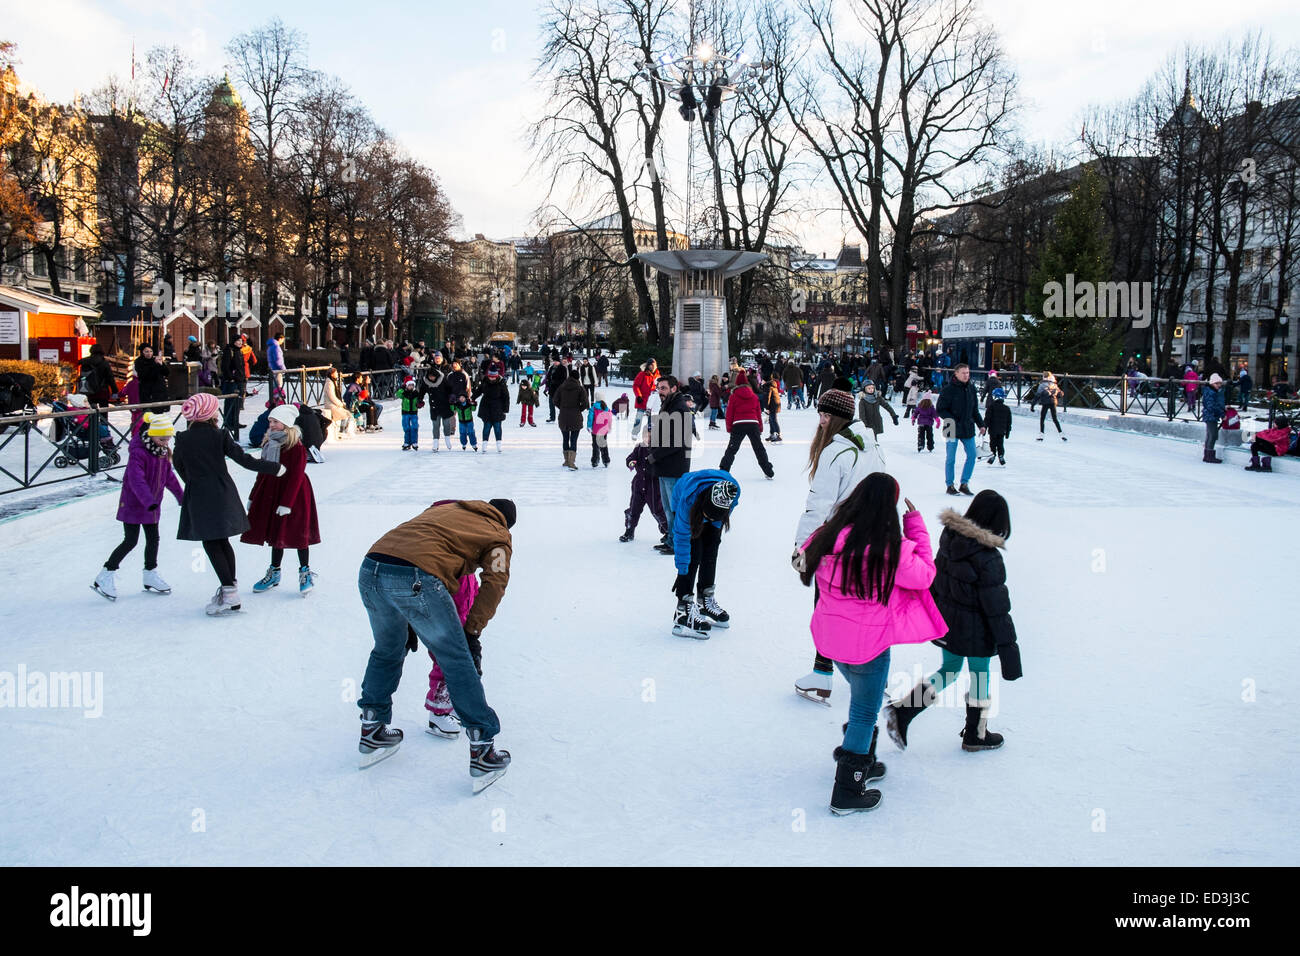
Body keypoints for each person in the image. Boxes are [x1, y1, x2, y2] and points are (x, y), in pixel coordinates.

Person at [797, 474, 946, 814]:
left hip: (830, 640)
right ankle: (848, 790)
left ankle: (863, 757)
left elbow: (802, 559)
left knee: (867, 700)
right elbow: (924, 575)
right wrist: (916, 527)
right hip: (869, 646)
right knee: (865, 711)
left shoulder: (828, 534)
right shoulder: (889, 549)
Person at [355, 498, 516, 792]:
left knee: (387, 650)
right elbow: (495, 583)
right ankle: (483, 751)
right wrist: (471, 632)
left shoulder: (450, 509)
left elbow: (418, 543)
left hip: (371, 568)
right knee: (456, 659)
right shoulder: (498, 535)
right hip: (416, 577)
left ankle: (373, 727)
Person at [884, 491, 1022, 754]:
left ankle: (903, 710)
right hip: (977, 632)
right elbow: (997, 610)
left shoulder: (950, 539)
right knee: (980, 674)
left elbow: (936, 579)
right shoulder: (989, 557)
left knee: (949, 669)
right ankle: (975, 733)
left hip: (949, 623)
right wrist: (1009, 649)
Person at [791, 388, 874, 706]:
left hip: (838, 544)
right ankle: (869, 675)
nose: (822, 421)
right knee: (863, 608)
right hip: (869, 540)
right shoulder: (870, 445)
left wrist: (802, 548)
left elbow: (818, 506)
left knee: (826, 607)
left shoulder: (835, 452)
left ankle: (822, 675)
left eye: (827, 415)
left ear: (839, 417)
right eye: (820, 414)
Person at [172, 393, 283, 615]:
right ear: (208, 413)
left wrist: (193, 483)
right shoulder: (220, 435)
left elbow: (179, 466)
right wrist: (273, 468)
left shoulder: (183, 439)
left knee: (212, 542)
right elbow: (244, 460)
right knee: (221, 542)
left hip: (200, 495)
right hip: (223, 492)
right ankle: (230, 589)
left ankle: (229, 591)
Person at [91, 413, 184, 601]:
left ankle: (150, 573)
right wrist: (148, 500)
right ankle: (105, 575)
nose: (166, 442)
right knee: (130, 540)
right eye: (162, 438)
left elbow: (169, 477)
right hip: (134, 504)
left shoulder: (162, 453)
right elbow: (136, 480)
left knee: (153, 539)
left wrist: (181, 497)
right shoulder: (138, 453)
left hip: (152, 505)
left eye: (168, 438)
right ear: (151, 435)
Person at [243, 404, 322, 595]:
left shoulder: (296, 447)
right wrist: (253, 496)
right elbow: (262, 471)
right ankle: (274, 572)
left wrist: (287, 503)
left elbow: (296, 476)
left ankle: (305, 572)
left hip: (295, 494)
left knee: (297, 534)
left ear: (286, 424)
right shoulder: (270, 444)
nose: (271, 424)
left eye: (275, 421)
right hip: (271, 490)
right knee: (276, 534)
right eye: (270, 421)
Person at [669, 472, 740, 639]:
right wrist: (682, 574)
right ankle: (683, 609)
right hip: (688, 502)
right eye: (707, 516)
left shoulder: (732, 492)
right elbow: (681, 541)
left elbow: (718, 517)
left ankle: (705, 600)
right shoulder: (687, 502)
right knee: (694, 552)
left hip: (714, 507)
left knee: (711, 548)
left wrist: (714, 520)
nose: (707, 520)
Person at [648, 376, 697, 552]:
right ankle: (671, 538)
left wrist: (654, 455)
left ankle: (679, 541)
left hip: (674, 466)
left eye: (663, 388)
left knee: (676, 508)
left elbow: (677, 440)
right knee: (668, 508)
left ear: (674, 388)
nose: (660, 392)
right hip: (664, 464)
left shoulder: (680, 408)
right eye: (658, 388)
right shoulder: (668, 406)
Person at [936, 363, 986, 496]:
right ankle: (950, 485)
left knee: (972, 455)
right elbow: (940, 409)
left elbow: (974, 409)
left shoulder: (971, 388)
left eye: (968, 373)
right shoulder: (948, 389)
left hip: (967, 427)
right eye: (963, 373)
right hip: (951, 427)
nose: (966, 375)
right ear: (956, 373)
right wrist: (952, 420)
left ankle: (964, 483)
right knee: (951, 457)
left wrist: (981, 424)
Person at [719, 372, 774, 479]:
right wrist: (760, 428)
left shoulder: (734, 396)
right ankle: (768, 471)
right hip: (753, 423)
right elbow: (758, 413)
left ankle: (723, 470)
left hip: (738, 424)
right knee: (759, 448)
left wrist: (729, 427)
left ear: (737, 384)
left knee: (732, 449)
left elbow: (729, 413)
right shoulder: (753, 396)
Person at [620, 429, 669, 543]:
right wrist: (631, 462)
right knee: (633, 508)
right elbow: (631, 458)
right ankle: (629, 529)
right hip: (638, 484)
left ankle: (667, 531)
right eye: (646, 437)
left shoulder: (658, 449)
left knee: (658, 510)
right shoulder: (639, 448)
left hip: (653, 486)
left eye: (651, 437)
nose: (648, 439)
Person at [555, 365, 589, 470]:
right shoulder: (580, 388)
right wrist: (579, 409)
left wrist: (562, 407)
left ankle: (566, 460)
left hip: (563, 416)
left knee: (565, 439)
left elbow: (555, 400)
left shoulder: (562, 387)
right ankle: (571, 462)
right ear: (578, 378)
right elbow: (585, 402)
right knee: (573, 440)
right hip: (575, 416)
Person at [422, 355, 457, 452]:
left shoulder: (443, 380)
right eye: (430, 377)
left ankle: (447, 439)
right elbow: (422, 391)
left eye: (433, 377)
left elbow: (450, 388)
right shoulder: (426, 381)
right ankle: (435, 442)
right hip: (434, 407)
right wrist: (420, 400)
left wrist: (452, 396)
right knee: (435, 425)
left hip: (444, 405)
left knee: (446, 424)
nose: (432, 378)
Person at [477, 366, 511, 454]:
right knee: (487, 427)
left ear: (496, 376)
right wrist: (472, 398)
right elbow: (479, 391)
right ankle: (484, 445)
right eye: (490, 376)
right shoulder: (485, 381)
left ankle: (499, 445)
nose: (491, 378)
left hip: (498, 407)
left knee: (497, 427)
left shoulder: (501, 383)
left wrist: (505, 409)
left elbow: (506, 396)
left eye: (493, 376)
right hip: (486, 407)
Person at [219, 337, 247, 441]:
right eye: (238, 341)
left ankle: (235, 421)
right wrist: (231, 377)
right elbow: (225, 367)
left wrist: (243, 378)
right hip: (232, 381)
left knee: (238, 402)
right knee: (230, 401)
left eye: (241, 341)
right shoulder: (229, 351)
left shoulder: (239, 352)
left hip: (239, 380)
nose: (240, 343)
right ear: (233, 342)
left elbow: (241, 366)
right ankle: (228, 422)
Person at [1201, 372, 1226, 463]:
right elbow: (1212, 406)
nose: (1219, 385)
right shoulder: (1211, 393)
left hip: (1210, 415)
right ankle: (1209, 455)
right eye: (1217, 383)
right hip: (1211, 416)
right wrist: (1221, 414)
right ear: (1212, 383)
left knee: (1210, 435)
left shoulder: (1211, 391)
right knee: (1213, 435)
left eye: (1220, 383)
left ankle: (1207, 454)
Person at [631, 359, 659, 438]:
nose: (652, 367)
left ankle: (651, 434)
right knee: (639, 418)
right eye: (651, 365)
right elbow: (635, 385)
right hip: (642, 401)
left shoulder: (658, 376)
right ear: (648, 366)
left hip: (652, 402)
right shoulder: (642, 374)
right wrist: (638, 395)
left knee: (652, 420)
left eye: (654, 365)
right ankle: (635, 433)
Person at [984, 387, 1012, 466]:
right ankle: (1001, 455)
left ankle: (993, 454)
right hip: (1002, 430)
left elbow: (987, 419)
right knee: (1000, 443)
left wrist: (984, 428)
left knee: (993, 443)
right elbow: (1009, 422)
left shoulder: (991, 407)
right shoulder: (1006, 408)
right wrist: (1008, 432)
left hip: (993, 429)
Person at [1035, 372, 1065, 442]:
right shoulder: (1054, 384)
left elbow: (1037, 395)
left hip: (1045, 403)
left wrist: (1033, 405)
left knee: (1042, 419)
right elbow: (1060, 394)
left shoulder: (1042, 385)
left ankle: (1041, 435)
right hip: (1053, 402)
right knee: (1055, 419)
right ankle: (1062, 434)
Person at [324, 367, 351, 441]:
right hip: (330, 405)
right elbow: (332, 396)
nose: (337, 374)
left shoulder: (333, 382)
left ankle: (342, 431)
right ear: (332, 374)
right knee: (346, 415)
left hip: (335, 404)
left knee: (348, 414)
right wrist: (340, 404)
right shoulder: (329, 383)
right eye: (336, 373)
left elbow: (337, 395)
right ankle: (341, 432)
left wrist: (341, 403)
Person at [587, 394, 613, 467]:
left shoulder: (593, 408)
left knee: (595, 446)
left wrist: (589, 426)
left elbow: (590, 418)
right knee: (603, 445)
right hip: (604, 431)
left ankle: (595, 461)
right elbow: (609, 420)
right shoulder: (607, 409)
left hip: (595, 430)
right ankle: (606, 460)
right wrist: (609, 427)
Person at [398, 376, 423, 451]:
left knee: (414, 427)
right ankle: (407, 442)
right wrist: (402, 388)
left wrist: (420, 403)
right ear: (406, 386)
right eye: (409, 385)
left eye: (412, 385)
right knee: (406, 428)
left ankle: (414, 442)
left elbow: (420, 400)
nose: (411, 387)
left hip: (414, 413)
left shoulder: (416, 393)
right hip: (405, 413)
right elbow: (398, 394)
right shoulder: (404, 393)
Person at [544, 357, 567, 423]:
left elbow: (563, 379)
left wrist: (555, 382)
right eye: (554, 361)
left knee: (561, 404)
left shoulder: (562, 368)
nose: (555, 362)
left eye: (556, 361)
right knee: (551, 403)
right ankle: (552, 417)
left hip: (559, 389)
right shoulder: (551, 368)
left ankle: (563, 417)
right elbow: (548, 377)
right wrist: (547, 385)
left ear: (559, 362)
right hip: (551, 389)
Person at [266, 332, 287, 403]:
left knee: (273, 389)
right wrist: (284, 370)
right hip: (277, 371)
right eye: (283, 340)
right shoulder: (276, 347)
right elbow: (279, 360)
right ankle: (278, 403)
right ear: (280, 339)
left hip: (272, 370)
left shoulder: (270, 346)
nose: (283, 342)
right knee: (278, 388)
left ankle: (273, 402)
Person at [764, 375, 783, 443]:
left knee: (773, 420)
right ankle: (772, 434)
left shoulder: (769, 387)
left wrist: (767, 407)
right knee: (771, 420)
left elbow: (768, 398)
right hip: (775, 405)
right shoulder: (772, 386)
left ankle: (778, 435)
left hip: (773, 406)